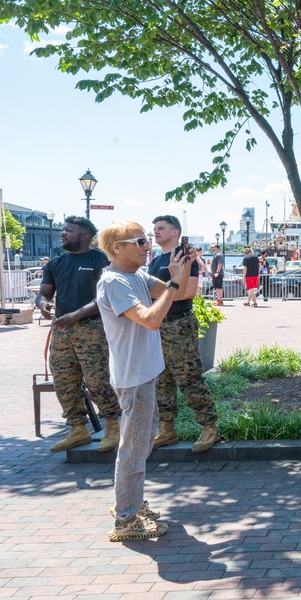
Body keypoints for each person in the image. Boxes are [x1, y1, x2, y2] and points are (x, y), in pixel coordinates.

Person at [97, 221, 193, 541]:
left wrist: (179, 268)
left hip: (145, 373)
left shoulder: (135, 275)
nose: (146, 245)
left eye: (145, 240)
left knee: (143, 440)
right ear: (116, 248)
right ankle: (126, 518)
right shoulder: (114, 282)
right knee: (134, 449)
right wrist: (175, 284)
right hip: (134, 378)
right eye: (138, 241)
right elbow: (152, 319)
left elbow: (165, 289)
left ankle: (132, 503)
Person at [35, 216, 122, 453]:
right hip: (62, 331)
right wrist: (42, 303)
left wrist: (77, 315)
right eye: (63, 229)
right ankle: (78, 429)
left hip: (92, 330)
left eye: (68, 230)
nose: (62, 233)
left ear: (84, 237)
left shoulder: (100, 260)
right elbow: (43, 293)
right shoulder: (55, 263)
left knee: (97, 381)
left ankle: (113, 426)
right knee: (63, 381)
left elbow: (104, 297)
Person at [147, 215, 220, 453]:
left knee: (189, 378)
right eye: (154, 228)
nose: (156, 232)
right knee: (161, 380)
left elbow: (188, 292)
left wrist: (161, 294)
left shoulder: (186, 257)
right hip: (158, 324)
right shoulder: (156, 260)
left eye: (161, 228)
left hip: (179, 325)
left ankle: (209, 427)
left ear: (175, 232)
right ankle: (167, 429)